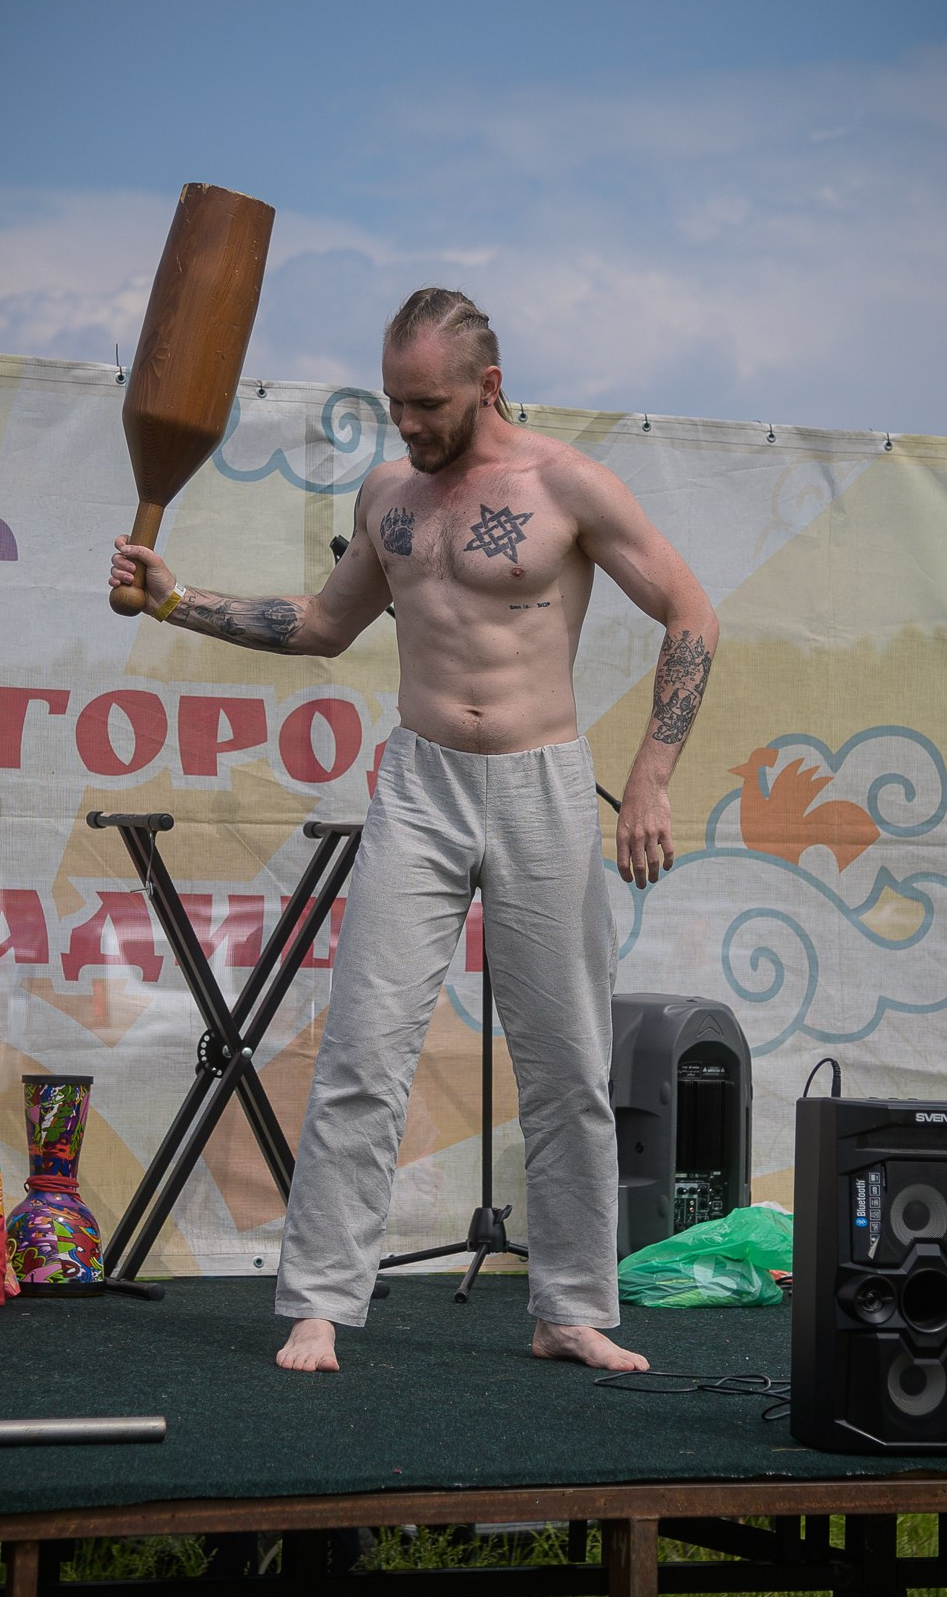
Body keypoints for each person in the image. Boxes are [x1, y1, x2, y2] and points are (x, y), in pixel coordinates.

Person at [109, 288, 719, 1374]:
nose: (407, 423)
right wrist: (173, 599)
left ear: (488, 384)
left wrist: (650, 781)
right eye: (394, 401)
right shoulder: (389, 492)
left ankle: (570, 1307)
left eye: (428, 403)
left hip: (540, 785)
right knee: (362, 1049)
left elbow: (691, 613)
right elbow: (320, 624)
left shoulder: (566, 485)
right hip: (420, 785)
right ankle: (320, 1304)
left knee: (567, 1064)